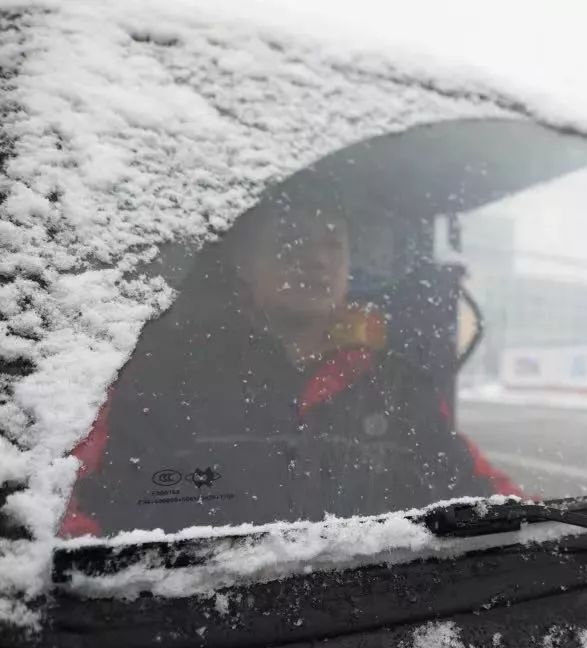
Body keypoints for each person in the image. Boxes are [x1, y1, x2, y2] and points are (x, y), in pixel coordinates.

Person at [60, 169, 521, 537]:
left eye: (332, 243)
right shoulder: (159, 378)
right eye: (293, 237)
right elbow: (59, 517)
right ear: (242, 260)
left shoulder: (399, 388)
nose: (318, 258)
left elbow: (491, 501)